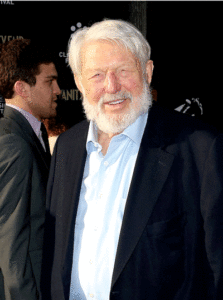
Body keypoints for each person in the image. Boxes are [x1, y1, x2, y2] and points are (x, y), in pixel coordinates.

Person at [41, 19, 223, 300]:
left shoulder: (200, 149)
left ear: (147, 71)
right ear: (78, 82)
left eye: (123, 70)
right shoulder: (67, 147)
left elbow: (216, 268)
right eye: (97, 75)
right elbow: (53, 253)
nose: (112, 86)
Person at [0, 39, 61, 299]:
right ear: (22, 88)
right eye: (50, 81)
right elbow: (11, 243)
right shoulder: (14, 143)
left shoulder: (27, 135)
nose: (58, 90)